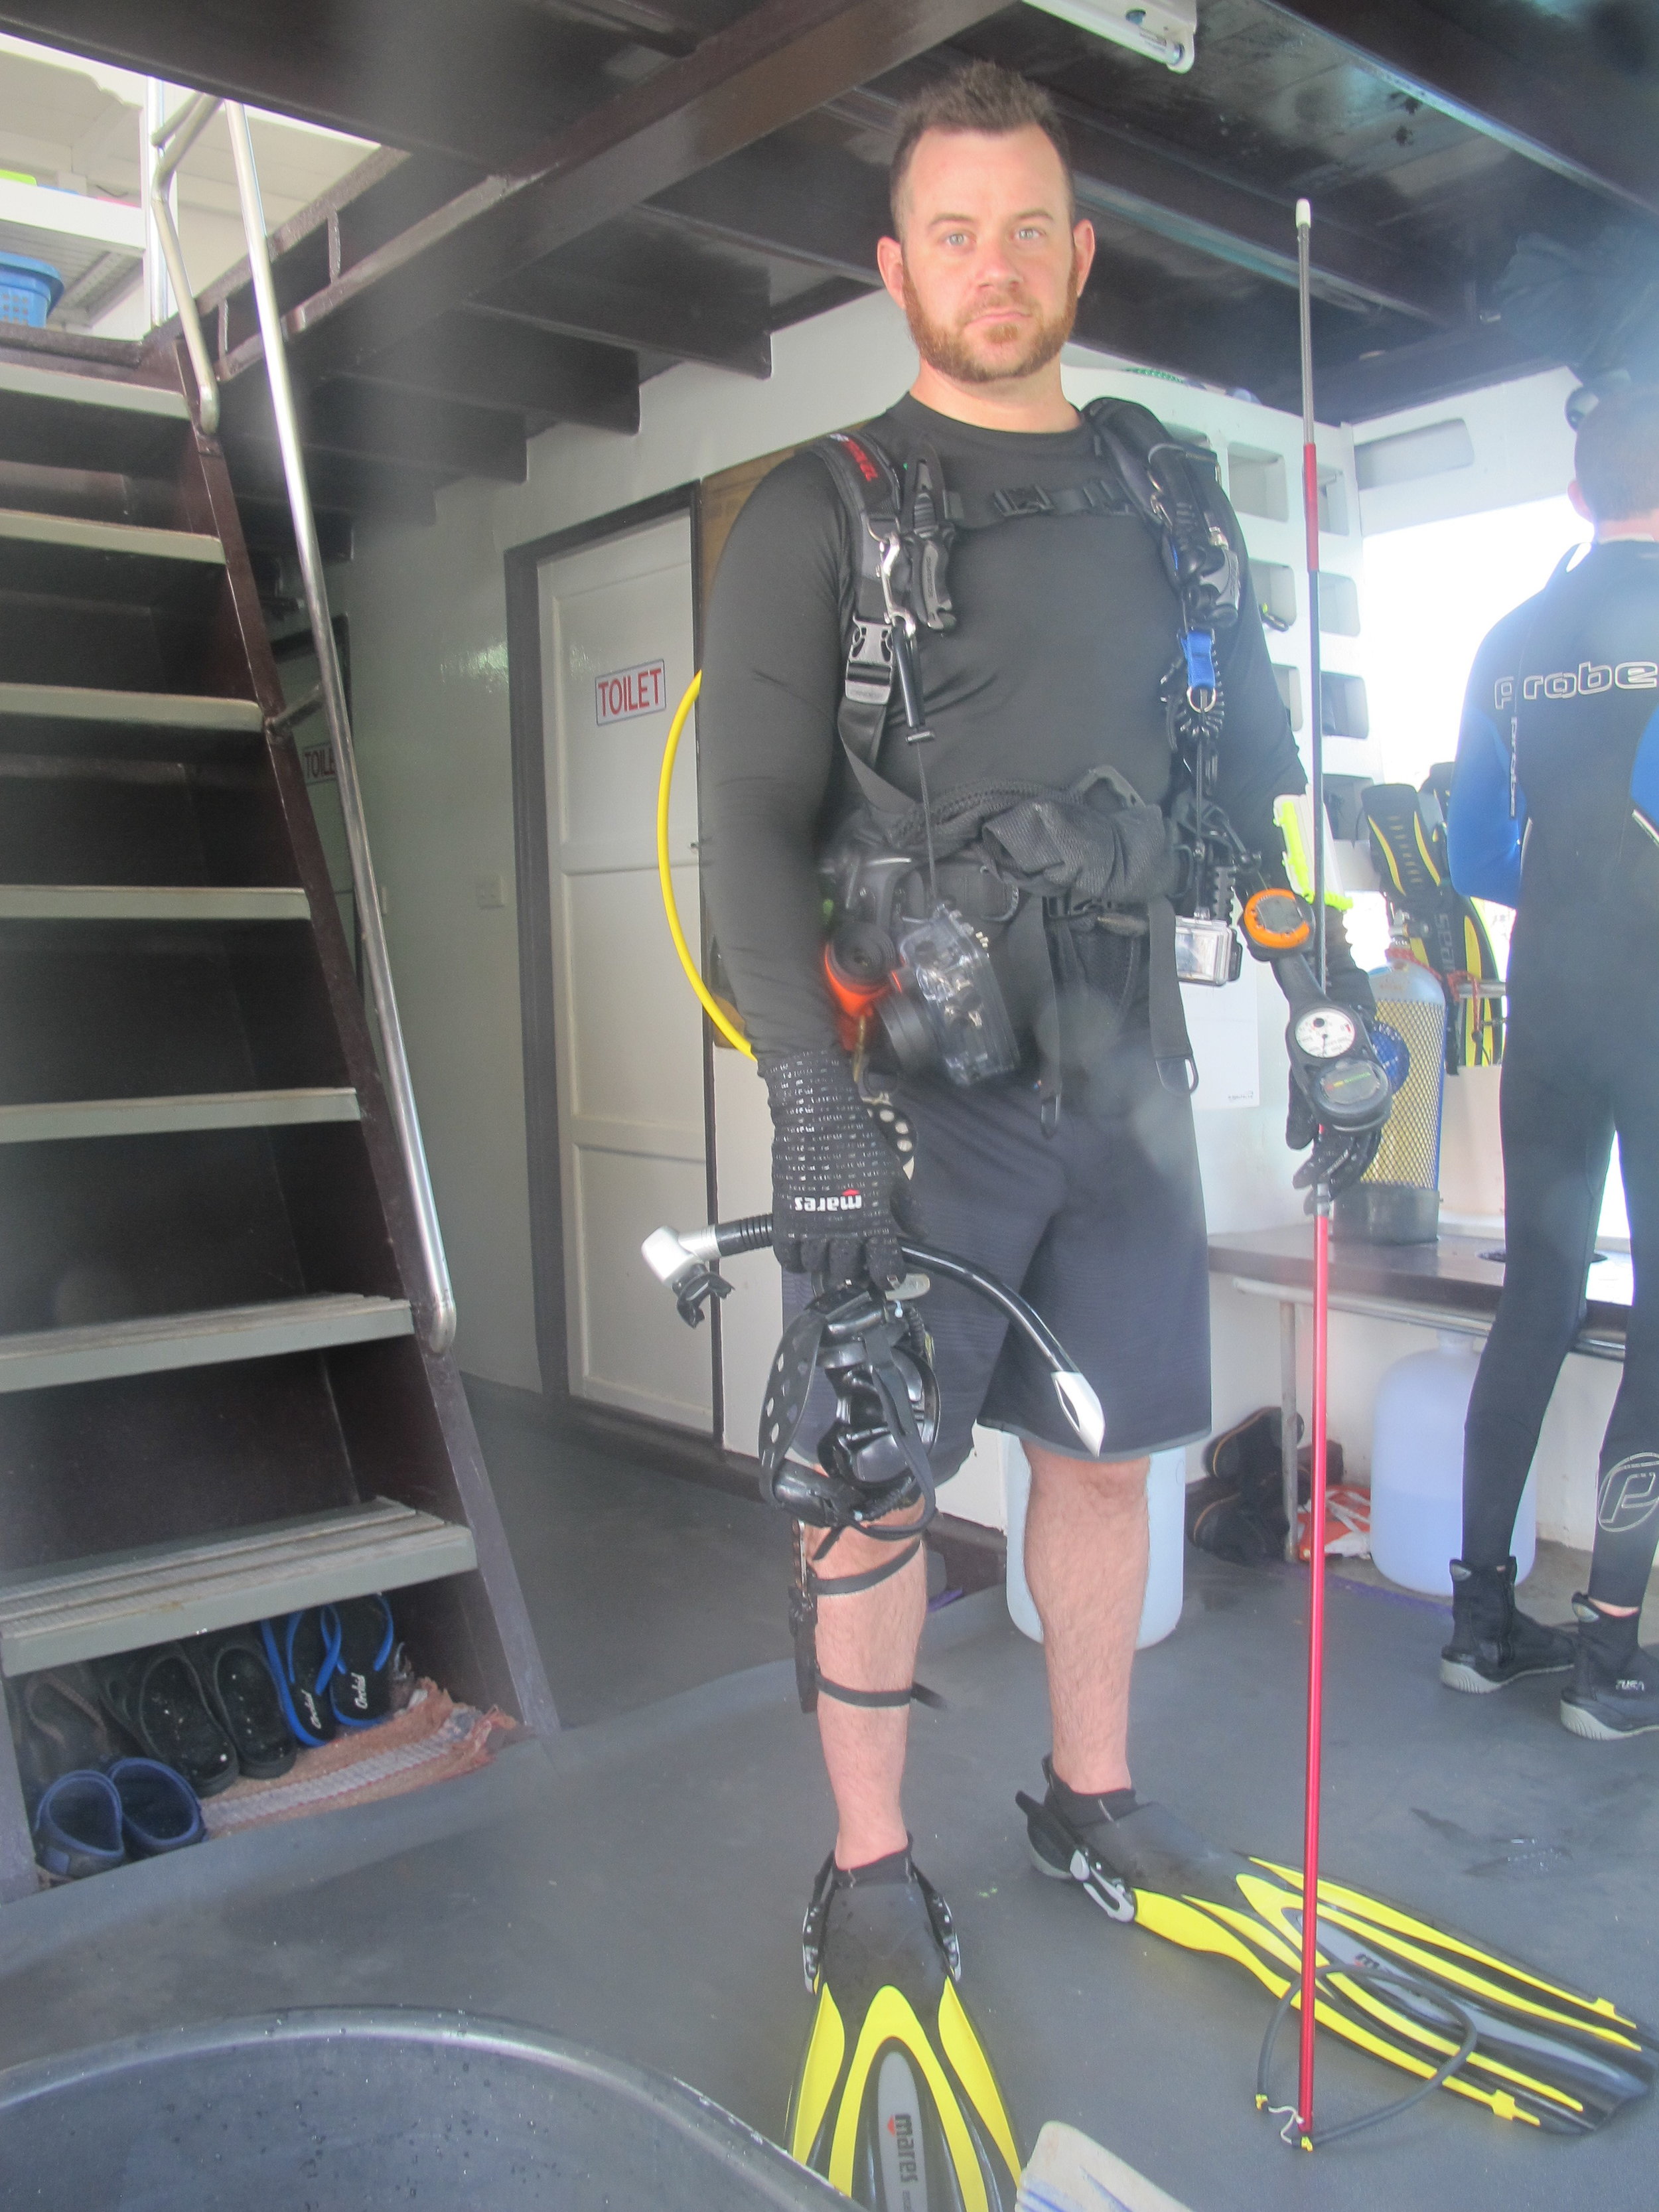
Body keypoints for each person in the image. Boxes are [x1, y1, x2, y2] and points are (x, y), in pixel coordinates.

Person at [698, 62, 1378, 2199]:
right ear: (894, 269)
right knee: (874, 1469)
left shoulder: (1171, 493)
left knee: (1108, 1453)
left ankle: (1088, 1789)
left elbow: (1238, 786)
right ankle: (871, 1859)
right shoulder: (817, 505)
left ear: (1076, 254)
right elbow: (744, 831)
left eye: (1029, 230)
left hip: (1129, 1081)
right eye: (951, 235)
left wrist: (1317, 976)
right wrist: (808, 1101)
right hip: (908, 1076)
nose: (993, 269)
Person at [1443, 383, 1659, 1737]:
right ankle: (1613, 1654)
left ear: (1575, 494)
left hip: (1549, 1007)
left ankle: (1478, 1626)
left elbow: (1471, 852)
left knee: (1533, 1295)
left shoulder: (1512, 634)